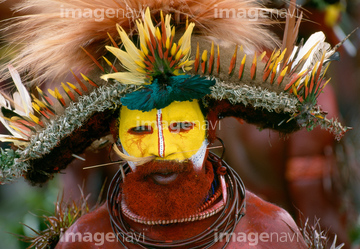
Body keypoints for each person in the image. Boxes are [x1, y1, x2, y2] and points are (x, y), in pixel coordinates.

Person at [0, 0, 348, 248]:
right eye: (140, 130)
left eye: (181, 128)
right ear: (113, 135)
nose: (163, 151)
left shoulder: (268, 232)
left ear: (210, 125)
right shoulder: (86, 240)